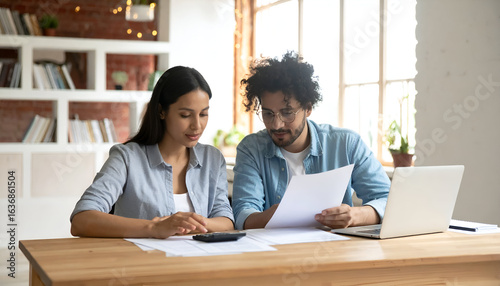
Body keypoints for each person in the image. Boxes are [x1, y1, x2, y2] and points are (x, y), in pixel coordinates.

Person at [232, 51, 391, 230]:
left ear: (308, 108)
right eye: (268, 114)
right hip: (275, 252)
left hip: (335, 251)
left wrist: (356, 216)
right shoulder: (251, 149)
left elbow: (388, 199)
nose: (276, 124)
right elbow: (243, 215)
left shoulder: (346, 144)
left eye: (287, 113)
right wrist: (278, 215)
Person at [70, 66, 234, 238]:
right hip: (140, 262)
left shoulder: (212, 159)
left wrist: (191, 224)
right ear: (161, 111)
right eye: (185, 115)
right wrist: (154, 228)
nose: (197, 125)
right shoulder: (127, 158)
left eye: (203, 114)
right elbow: (82, 220)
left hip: (196, 261)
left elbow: (227, 221)